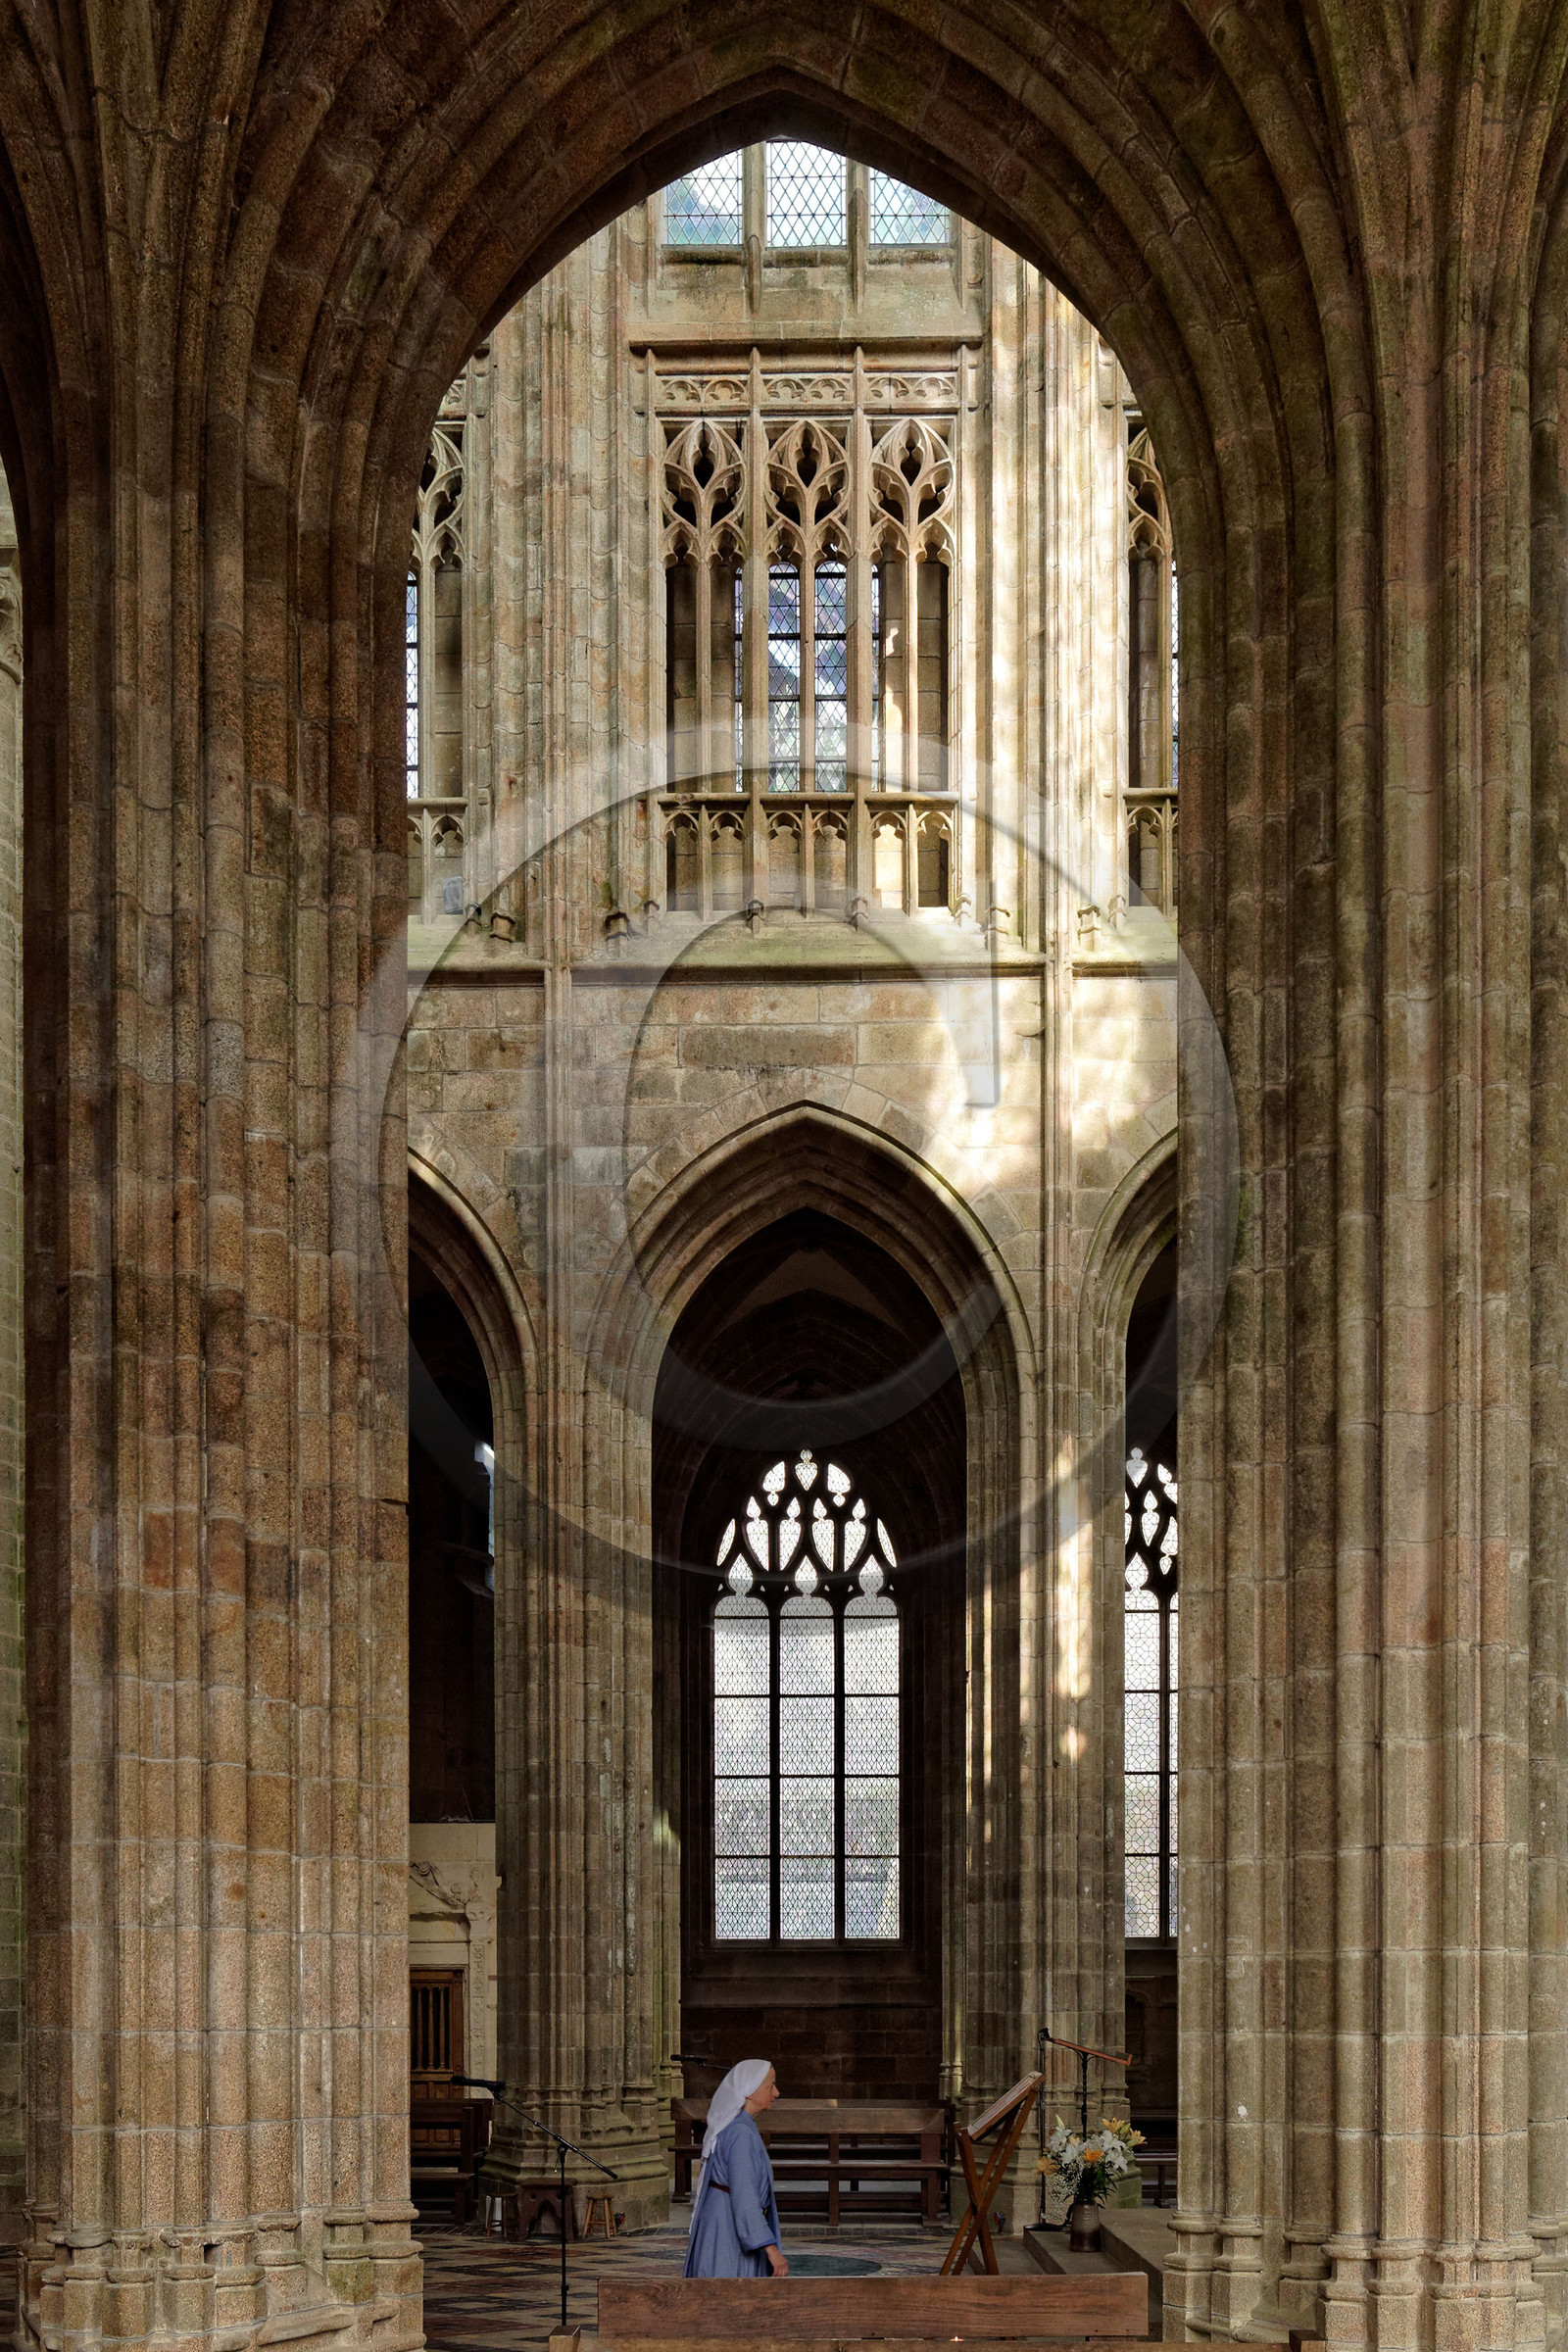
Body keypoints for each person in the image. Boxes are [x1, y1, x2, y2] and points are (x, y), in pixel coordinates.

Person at [683, 2060, 789, 2278]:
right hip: (726, 2229)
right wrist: (769, 2247)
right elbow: (744, 2194)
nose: (776, 2092)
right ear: (750, 2091)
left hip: (723, 2221)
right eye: (771, 2085)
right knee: (727, 2295)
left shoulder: (738, 2126)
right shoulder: (740, 2133)